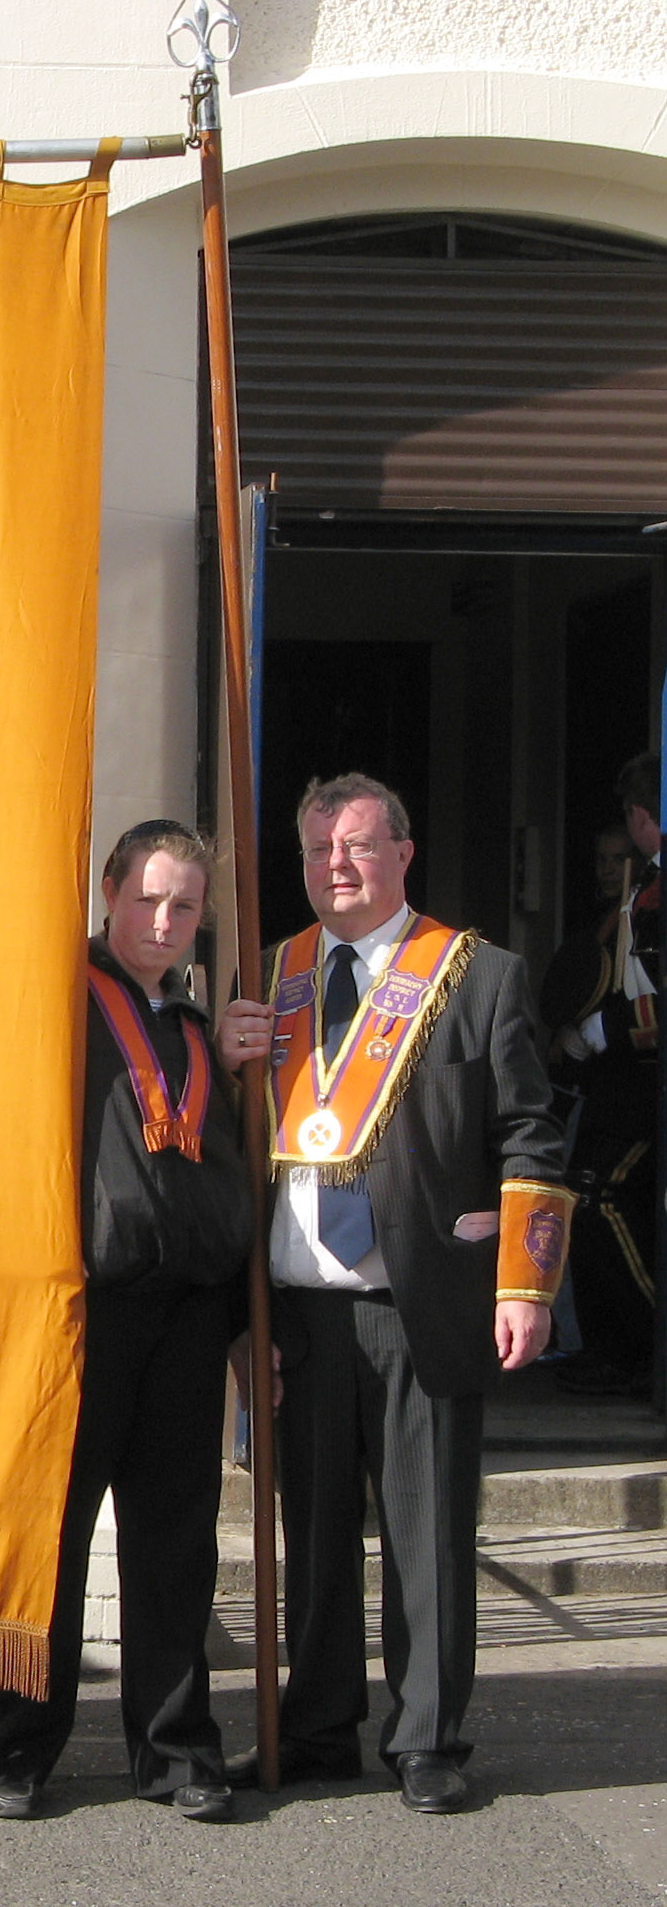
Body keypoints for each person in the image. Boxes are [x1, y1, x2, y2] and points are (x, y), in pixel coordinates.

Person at [217, 773, 570, 1814]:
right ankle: (321, 1726)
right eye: (320, 849)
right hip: (300, 1306)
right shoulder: (268, 974)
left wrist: (525, 1284)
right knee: (313, 1536)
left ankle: (426, 1738)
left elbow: (529, 1136)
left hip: (421, 1300)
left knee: (426, 1531)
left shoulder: (479, 976)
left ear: (403, 853)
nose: (338, 866)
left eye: (360, 846)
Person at [0, 821, 251, 1823]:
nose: (163, 920)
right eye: (146, 898)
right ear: (106, 891)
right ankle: (15, 1748)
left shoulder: (188, 1031)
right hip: (80, 1311)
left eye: (183, 906)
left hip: (186, 1315)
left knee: (175, 1540)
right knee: (48, 1539)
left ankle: (177, 1752)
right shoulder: (56, 998)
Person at [537, 753, 659, 1398]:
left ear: (642, 817)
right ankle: (618, 1350)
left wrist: (602, 1032)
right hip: (622, 1083)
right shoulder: (643, 894)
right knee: (587, 1197)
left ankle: (648, 1345)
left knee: (603, 1197)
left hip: (647, 1080)